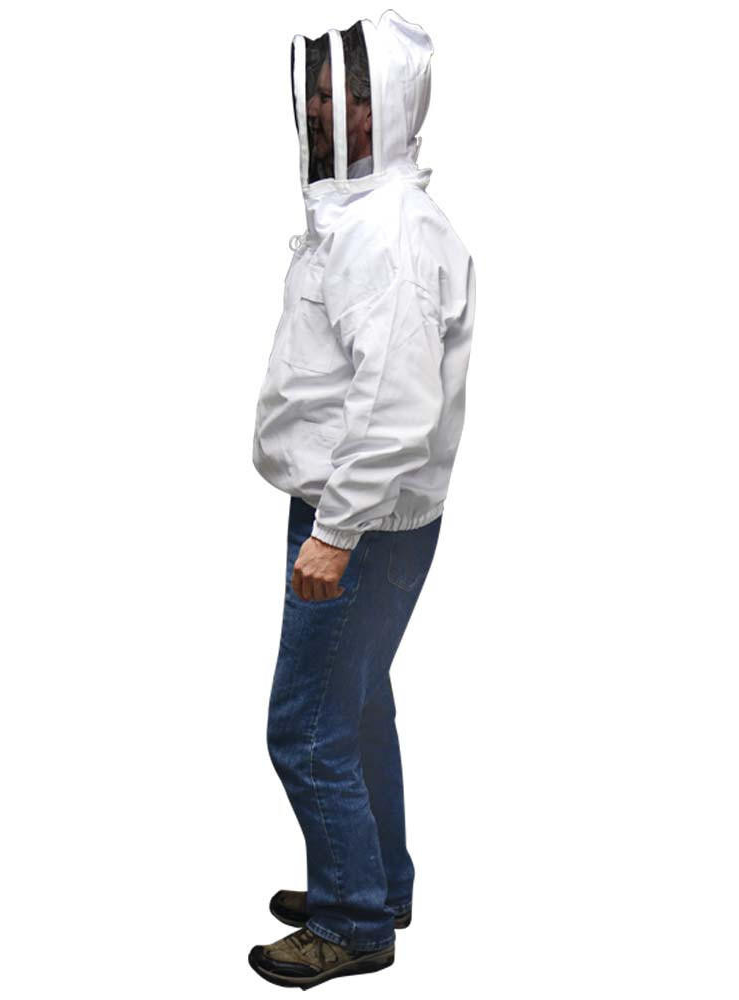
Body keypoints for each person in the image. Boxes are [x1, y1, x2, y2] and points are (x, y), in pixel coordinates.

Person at [249, 10, 476, 990]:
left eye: (343, 94)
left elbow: (394, 405)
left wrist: (334, 533)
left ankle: (352, 919)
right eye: (315, 91)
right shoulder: (363, 218)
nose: (321, 107)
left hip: (361, 520)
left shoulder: (388, 232)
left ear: (387, 104)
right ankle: (377, 881)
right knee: (356, 702)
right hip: (362, 511)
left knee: (304, 728)